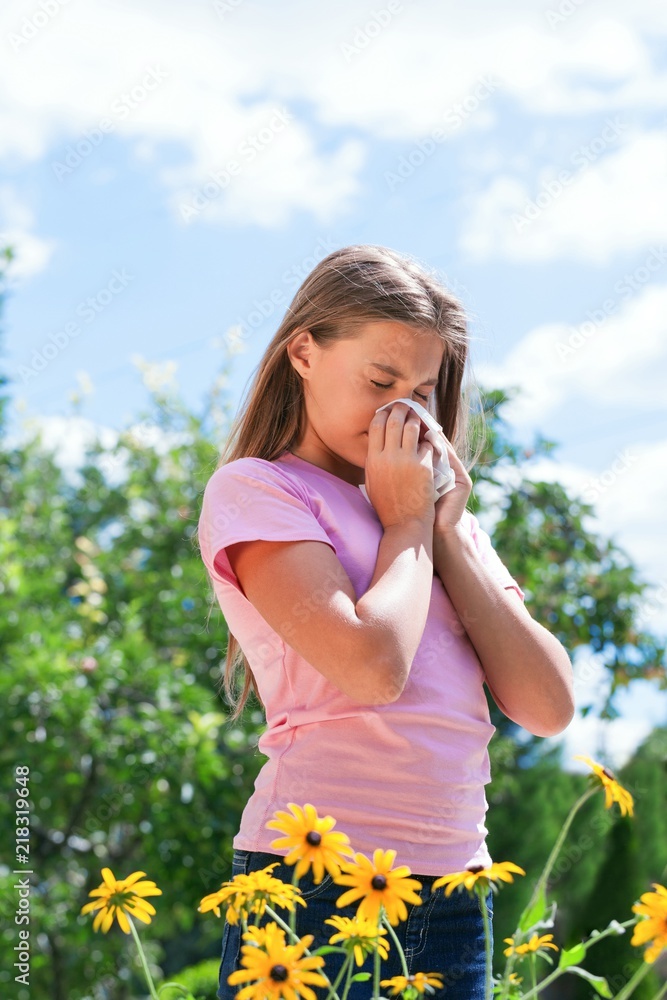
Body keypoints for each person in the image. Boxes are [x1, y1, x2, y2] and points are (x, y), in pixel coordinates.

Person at [196, 244, 575, 999]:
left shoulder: (442, 525)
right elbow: (371, 670)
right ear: (302, 351)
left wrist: (440, 535)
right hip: (312, 885)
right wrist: (403, 527)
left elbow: (547, 705)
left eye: (422, 392)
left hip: (455, 893)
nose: (402, 410)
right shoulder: (259, 491)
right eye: (379, 380)